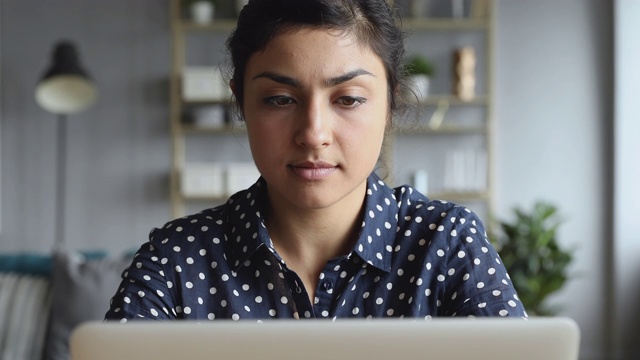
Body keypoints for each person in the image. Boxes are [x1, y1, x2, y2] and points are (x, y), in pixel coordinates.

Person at [105, 0, 527, 321]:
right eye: (280, 99)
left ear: (390, 103)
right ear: (242, 103)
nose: (313, 133)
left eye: (348, 99)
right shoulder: (178, 260)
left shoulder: (446, 244)